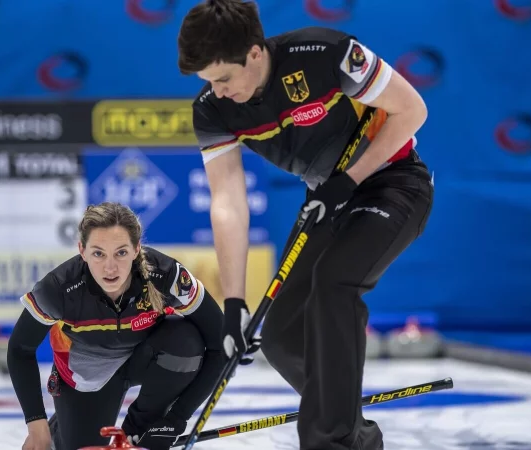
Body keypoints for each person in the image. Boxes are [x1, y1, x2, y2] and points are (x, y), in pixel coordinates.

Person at [177, 1, 435, 449]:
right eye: (208, 82)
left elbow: (412, 111)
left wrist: (351, 178)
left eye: (222, 78)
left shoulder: (326, 53)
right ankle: (355, 435)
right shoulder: (212, 111)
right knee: (281, 335)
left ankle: (328, 442)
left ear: (254, 54)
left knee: (334, 283)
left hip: (394, 184)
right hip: (327, 199)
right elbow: (229, 203)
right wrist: (235, 302)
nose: (216, 91)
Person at [6, 202, 226, 450]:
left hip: (145, 357)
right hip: (86, 374)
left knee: (186, 339)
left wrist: (175, 420)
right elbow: (20, 349)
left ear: (136, 249)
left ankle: (138, 429)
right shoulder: (59, 289)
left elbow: (221, 346)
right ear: (82, 250)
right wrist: (37, 427)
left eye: (121, 253)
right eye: (98, 253)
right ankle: (65, 426)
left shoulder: (166, 276)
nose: (110, 268)